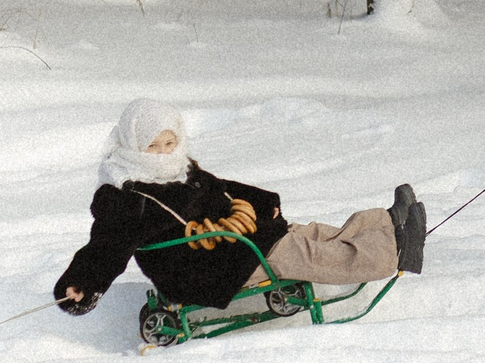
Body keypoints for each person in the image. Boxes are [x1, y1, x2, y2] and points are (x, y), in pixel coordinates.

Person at [54, 99, 426, 317]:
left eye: (170, 141)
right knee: (297, 250)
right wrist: (82, 283)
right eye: (153, 146)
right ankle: (391, 252)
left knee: (299, 231)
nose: (164, 152)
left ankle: (385, 225)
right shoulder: (124, 193)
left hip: (222, 246)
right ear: (133, 144)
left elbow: (219, 189)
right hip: (197, 268)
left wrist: (262, 202)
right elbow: (107, 246)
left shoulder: (178, 168)